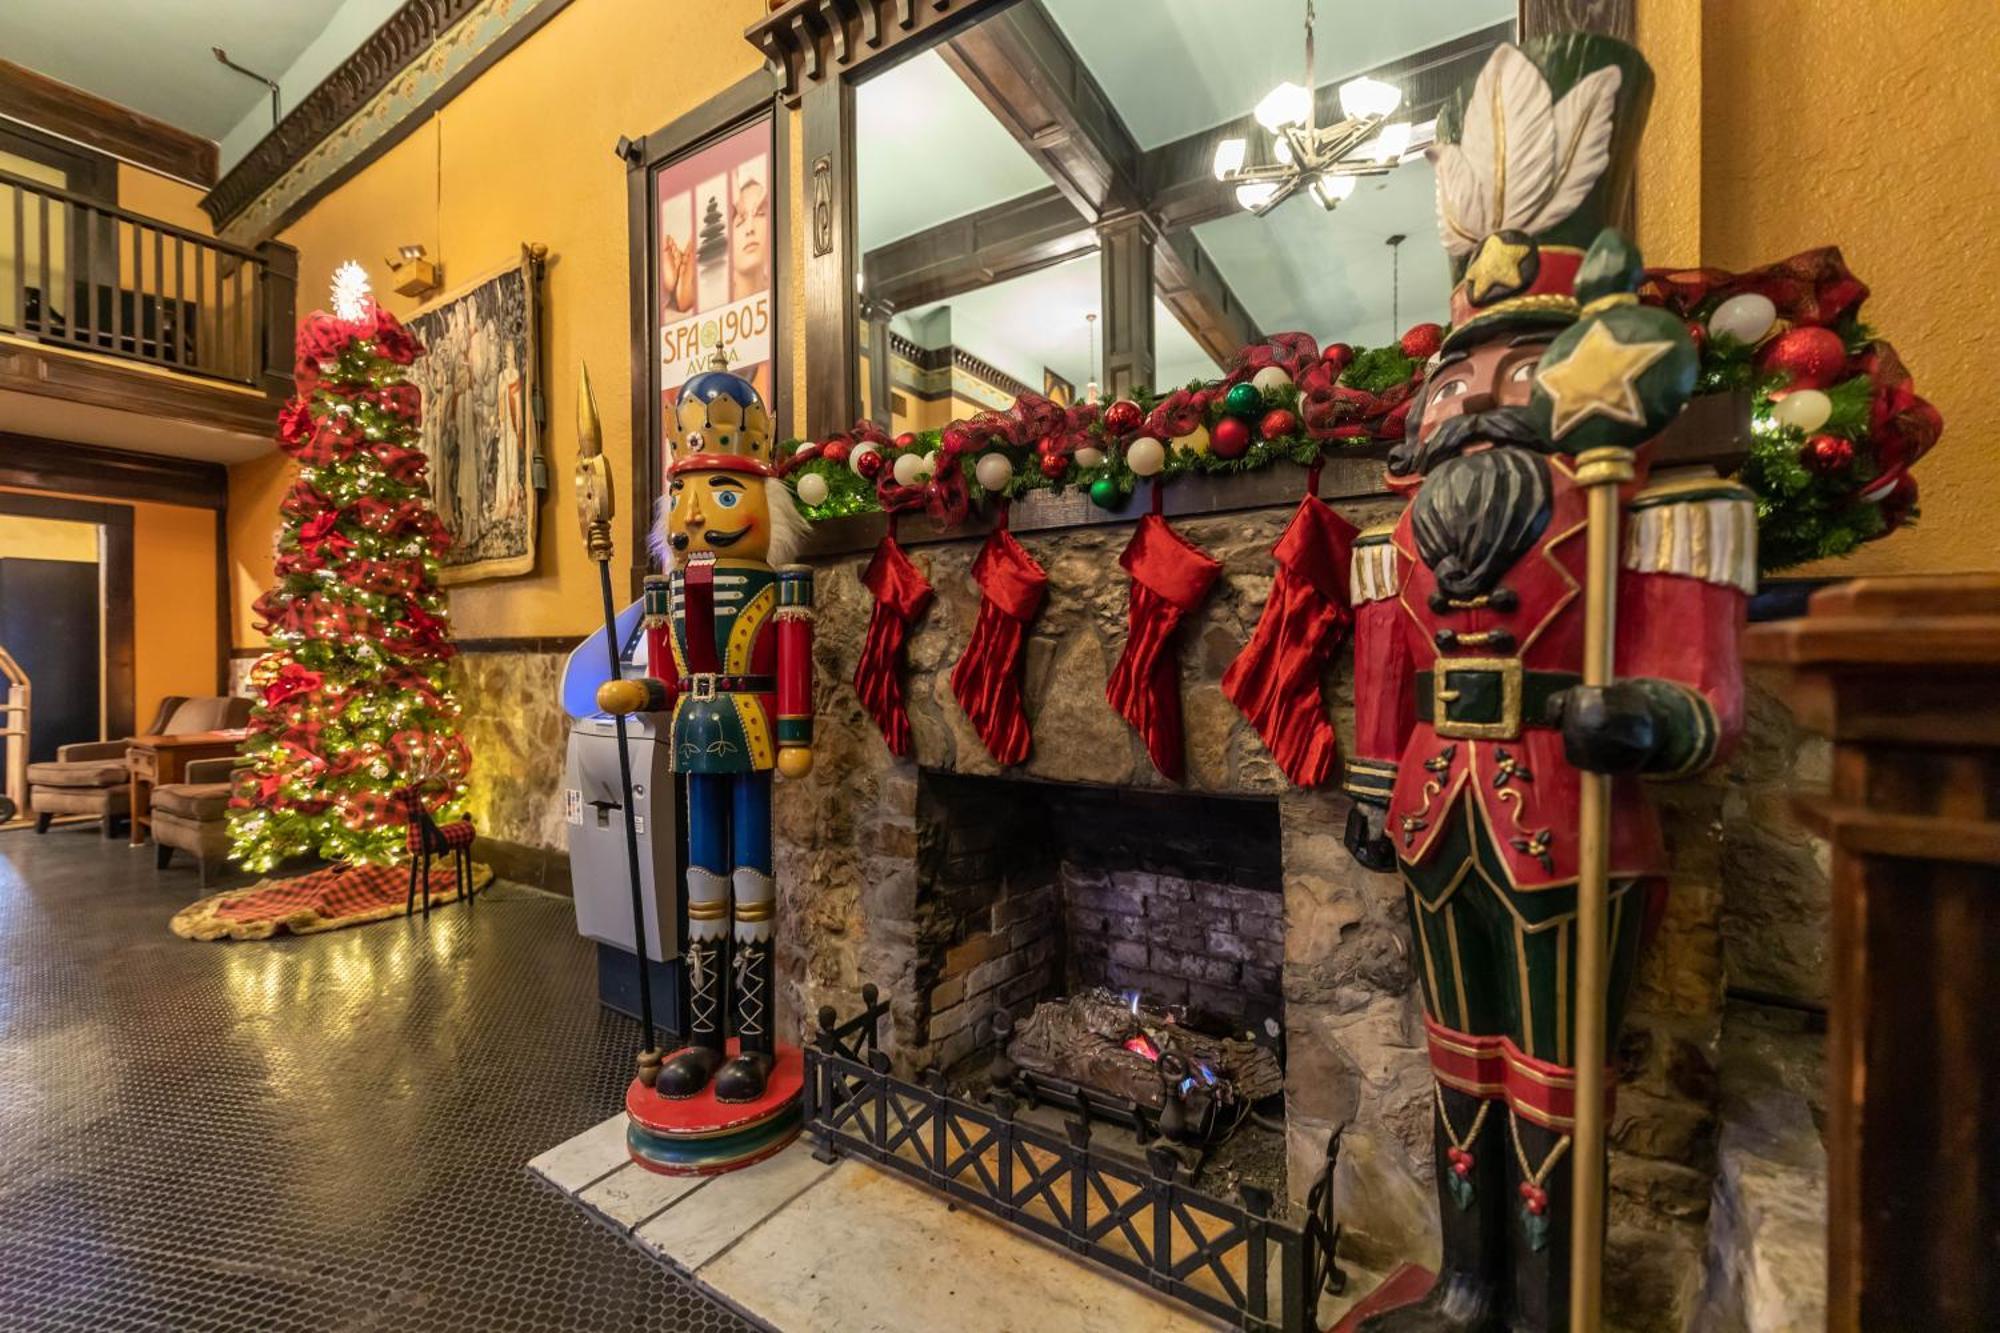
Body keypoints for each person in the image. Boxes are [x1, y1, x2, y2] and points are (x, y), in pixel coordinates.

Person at [1340, 34, 1750, 1331]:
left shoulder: (1644, 506)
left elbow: (1700, 690)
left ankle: (1540, 1309)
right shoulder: (1397, 531)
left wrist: (1647, 717)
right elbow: (1383, 668)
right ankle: (1469, 1287)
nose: (1472, 400)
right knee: (1458, 1063)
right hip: (1433, 818)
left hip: (1565, 822)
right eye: (1456, 376)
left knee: (1558, 1071)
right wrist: (1368, 775)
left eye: (1513, 371)